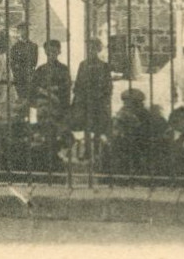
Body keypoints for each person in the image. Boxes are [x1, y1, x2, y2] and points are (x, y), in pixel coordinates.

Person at [70, 38, 113, 164]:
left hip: (98, 101)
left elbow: (108, 85)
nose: (91, 50)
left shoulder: (104, 66)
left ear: (98, 49)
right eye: (89, 48)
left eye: (94, 48)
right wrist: (78, 99)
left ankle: (98, 152)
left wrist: (104, 99)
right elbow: (78, 84)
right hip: (85, 101)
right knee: (87, 128)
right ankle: (88, 152)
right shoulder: (83, 65)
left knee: (98, 128)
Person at [31, 39, 72, 170]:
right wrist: (45, 92)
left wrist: (54, 92)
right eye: (49, 52)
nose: (51, 54)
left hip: (57, 106)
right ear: (45, 52)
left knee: (56, 131)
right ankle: (43, 158)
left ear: (59, 52)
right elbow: (34, 87)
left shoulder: (64, 69)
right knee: (43, 130)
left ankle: (55, 157)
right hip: (43, 106)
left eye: (54, 51)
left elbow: (66, 86)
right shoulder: (40, 69)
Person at [8, 21, 39, 107]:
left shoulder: (34, 46)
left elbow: (34, 61)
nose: (26, 31)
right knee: (21, 97)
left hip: (29, 74)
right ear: (19, 31)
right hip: (19, 75)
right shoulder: (15, 47)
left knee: (30, 99)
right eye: (23, 29)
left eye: (27, 29)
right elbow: (13, 62)